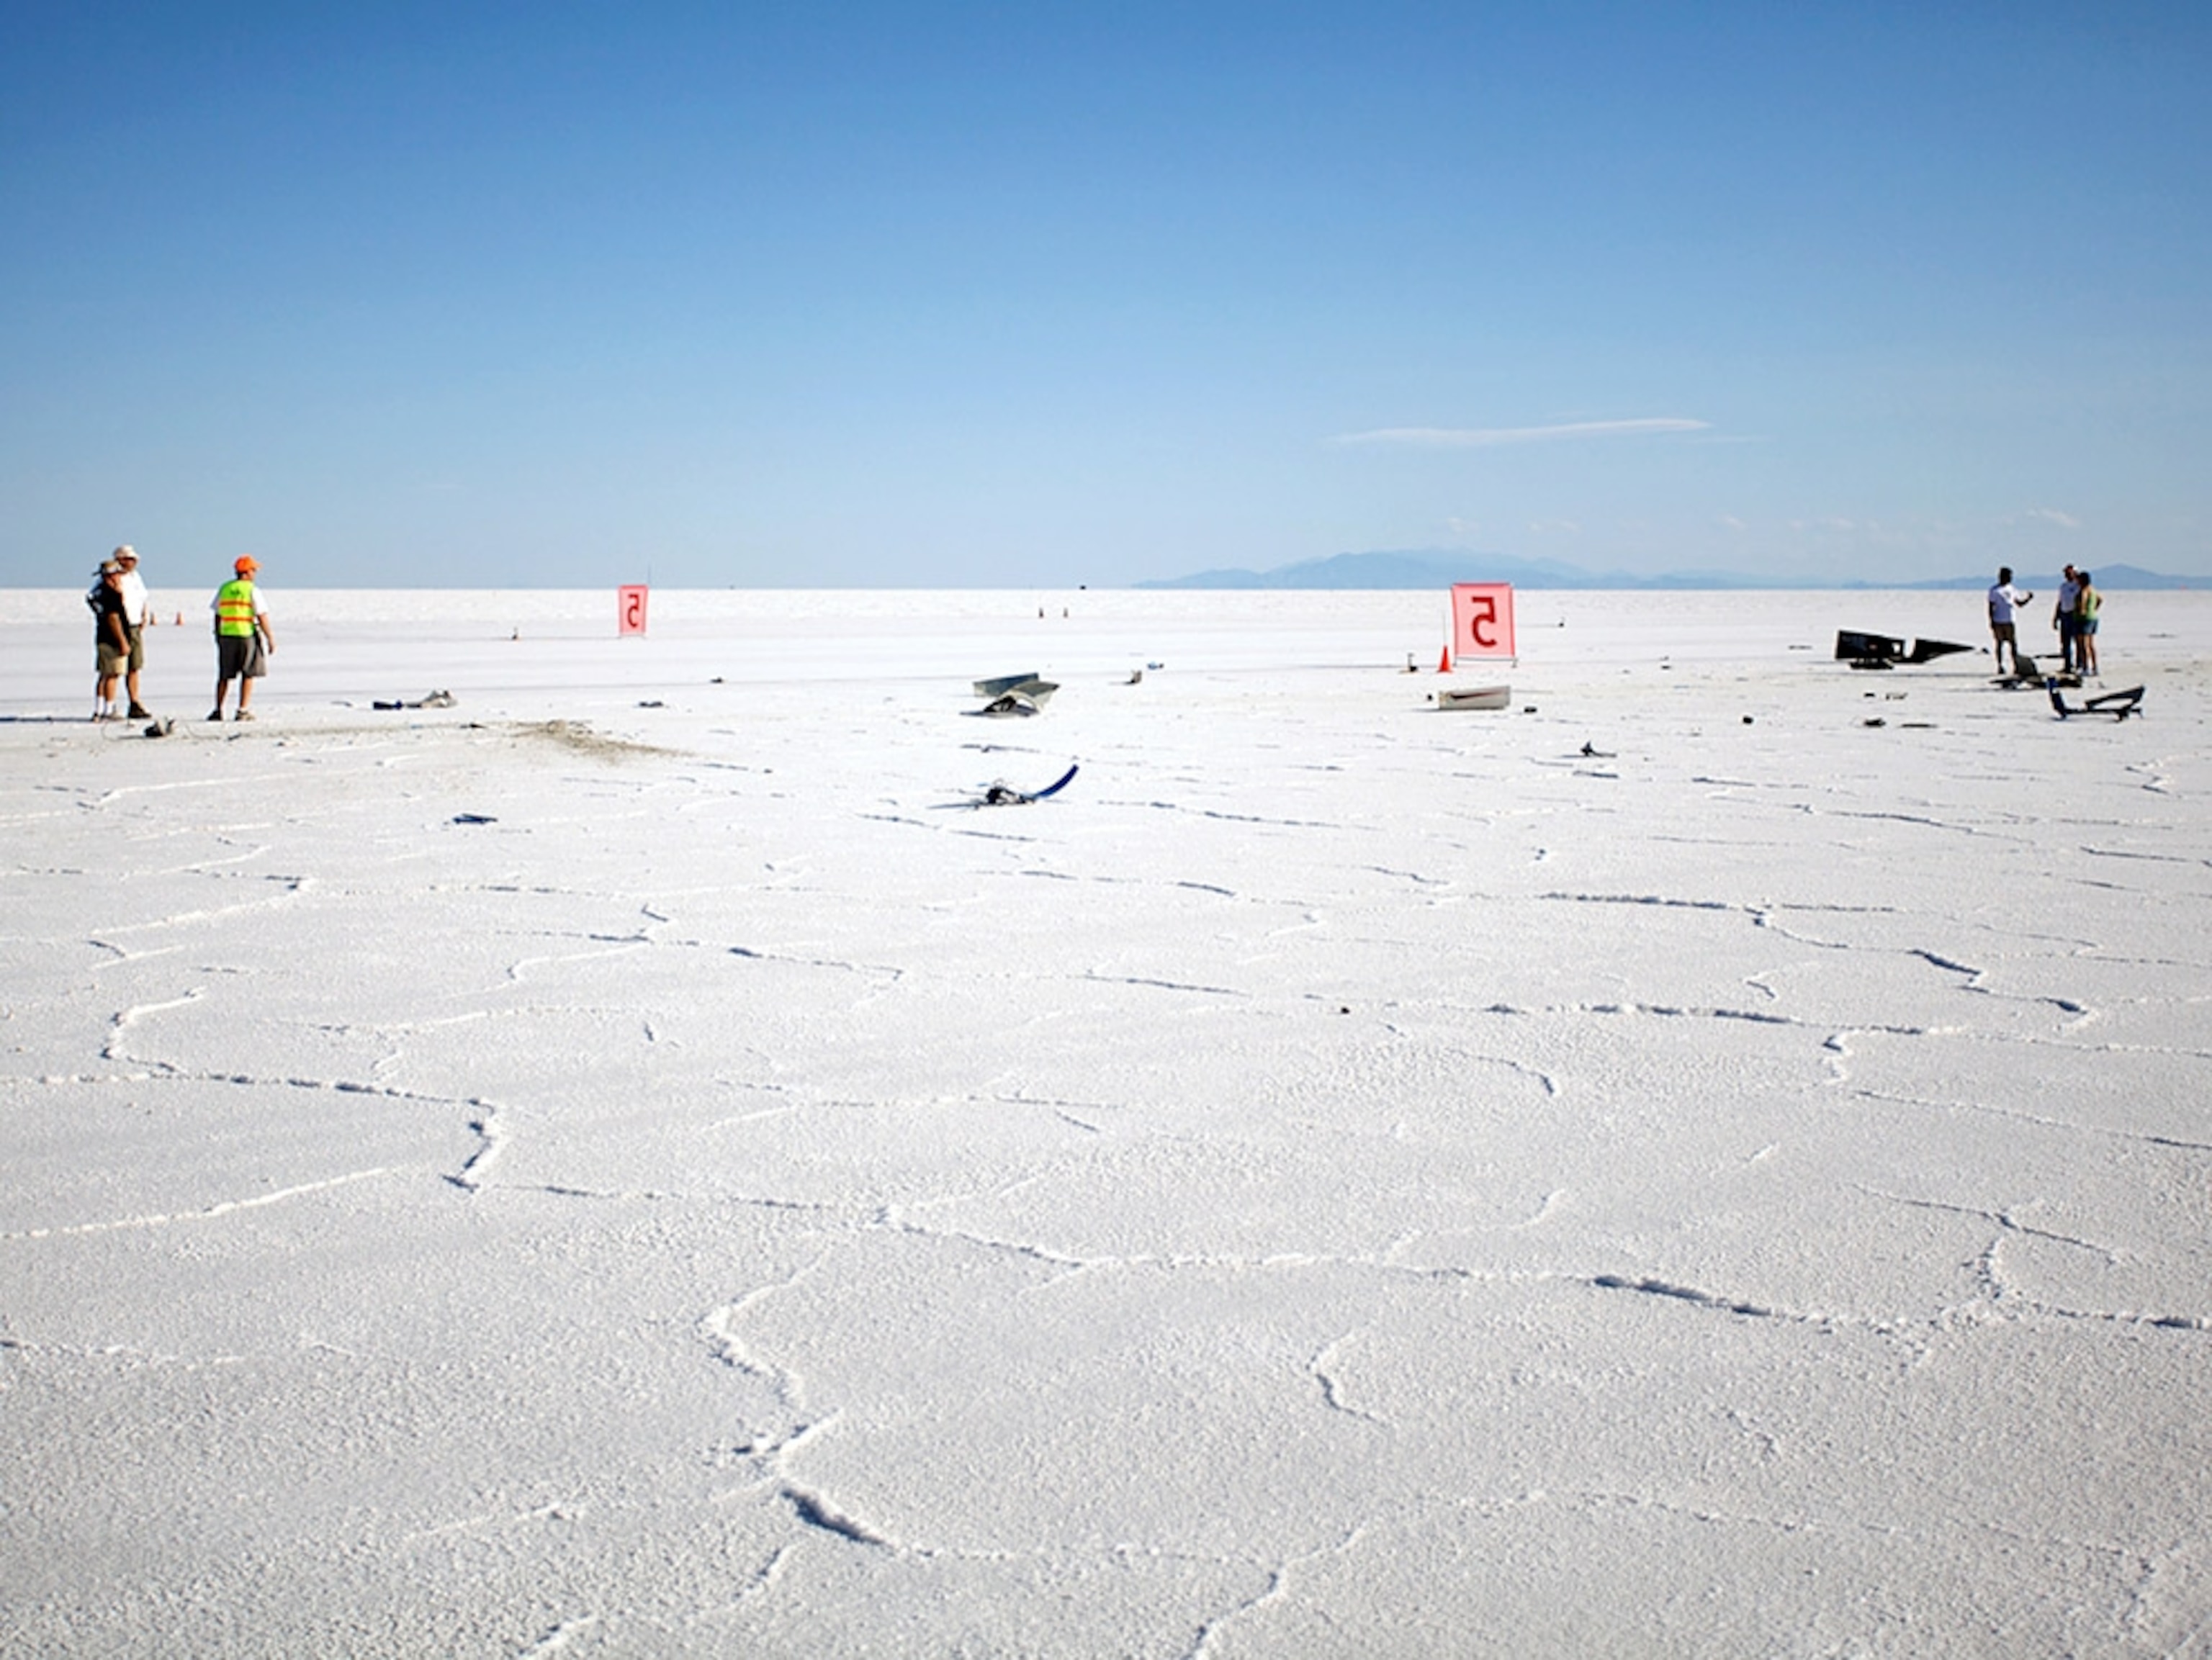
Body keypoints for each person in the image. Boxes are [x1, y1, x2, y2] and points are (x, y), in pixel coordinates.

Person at [210, 556, 275, 721]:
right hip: (246, 635)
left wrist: (217, 633)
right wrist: (270, 638)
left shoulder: (225, 588)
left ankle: (218, 709)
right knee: (248, 673)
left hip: (227, 636)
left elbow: (217, 613)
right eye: (253, 570)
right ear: (246, 572)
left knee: (225, 675)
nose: (255, 573)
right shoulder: (252, 590)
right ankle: (242, 710)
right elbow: (261, 615)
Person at [112, 546, 156, 717]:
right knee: (114, 668)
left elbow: (142, 598)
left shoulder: (135, 577)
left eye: (134, 560)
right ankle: (108, 705)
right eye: (129, 559)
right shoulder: (112, 578)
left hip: (135, 625)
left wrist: (144, 615)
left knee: (134, 666)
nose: (133, 563)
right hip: (119, 625)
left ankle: (134, 702)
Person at [91, 559, 131, 720]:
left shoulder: (99, 593)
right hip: (111, 640)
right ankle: (108, 709)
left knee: (104, 675)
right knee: (112, 675)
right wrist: (122, 641)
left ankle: (99, 709)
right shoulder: (111, 595)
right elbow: (113, 619)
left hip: (102, 637)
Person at [1987, 566, 2034, 675]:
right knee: (1999, 643)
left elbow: (2019, 603)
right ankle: (2000, 665)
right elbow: (1991, 606)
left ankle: (2016, 665)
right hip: (1999, 620)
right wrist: (1992, 620)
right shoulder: (1994, 590)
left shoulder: (2012, 589)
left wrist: (2028, 599)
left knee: (2013, 644)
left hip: (2009, 620)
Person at [2053, 564, 2080, 673]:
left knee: (2078, 641)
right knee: (2065, 642)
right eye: (2066, 573)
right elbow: (2060, 602)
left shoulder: (2078, 586)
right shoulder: (2063, 586)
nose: (2067, 575)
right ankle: (2068, 665)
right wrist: (2056, 617)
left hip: (2075, 615)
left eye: (2069, 573)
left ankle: (2080, 664)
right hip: (2065, 615)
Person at [2075, 570, 2101, 677]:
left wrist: (2082, 609)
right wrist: (2094, 609)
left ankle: (2086, 667)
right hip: (2093, 618)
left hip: (2083, 619)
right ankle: (2095, 667)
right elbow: (2100, 599)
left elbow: (2083, 599)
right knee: (2091, 644)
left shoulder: (2084, 590)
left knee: (2083, 645)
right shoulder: (2093, 590)